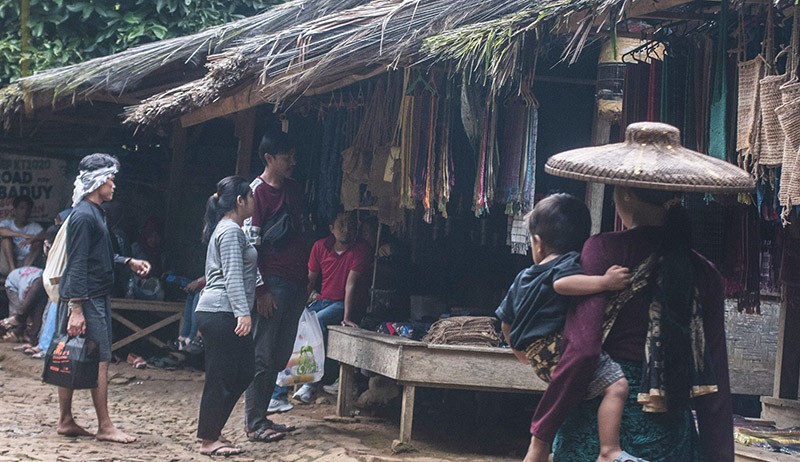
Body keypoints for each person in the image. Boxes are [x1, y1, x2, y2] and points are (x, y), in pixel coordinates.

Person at [528, 122, 735, 461]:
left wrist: (542, 433)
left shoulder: (603, 251)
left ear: (625, 194)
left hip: (600, 431)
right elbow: (716, 386)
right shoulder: (705, 272)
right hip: (671, 434)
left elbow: (582, 351)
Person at [495, 193, 637, 462]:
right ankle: (610, 450)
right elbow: (563, 284)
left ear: (536, 243)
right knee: (617, 385)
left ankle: (539, 452)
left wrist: (518, 352)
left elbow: (505, 320)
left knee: (570, 395)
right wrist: (604, 282)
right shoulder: (568, 263)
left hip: (536, 354)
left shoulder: (523, 277)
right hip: (558, 348)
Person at [56, 153, 151, 443]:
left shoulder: (95, 212)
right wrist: (76, 308)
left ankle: (66, 420)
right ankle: (105, 425)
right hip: (87, 298)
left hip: (89, 295)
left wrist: (126, 261)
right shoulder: (85, 216)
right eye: (110, 179)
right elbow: (78, 262)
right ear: (97, 182)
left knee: (70, 357)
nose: (113, 184)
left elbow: (99, 255)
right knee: (99, 360)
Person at [243, 131, 306, 441]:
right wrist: (260, 290)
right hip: (272, 285)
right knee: (263, 355)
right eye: (286, 158)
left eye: (293, 156)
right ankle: (254, 423)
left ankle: (263, 416)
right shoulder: (255, 194)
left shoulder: (294, 190)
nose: (292, 162)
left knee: (280, 356)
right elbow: (249, 248)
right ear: (269, 159)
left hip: (295, 283)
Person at [194, 176, 260, 456]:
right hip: (223, 310)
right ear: (240, 201)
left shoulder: (232, 229)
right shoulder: (231, 231)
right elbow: (232, 275)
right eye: (251, 196)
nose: (254, 201)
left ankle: (213, 430)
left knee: (244, 370)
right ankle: (208, 439)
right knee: (220, 376)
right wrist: (242, 313)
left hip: (222, 310)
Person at [291, 209, 371, 404]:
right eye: (341, 224)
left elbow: (350, 285)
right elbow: (310, 279)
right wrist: (298, 307)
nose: (346, 229)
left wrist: (347, 317)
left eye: (351, 225)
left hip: (345, 304)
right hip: (324, 301)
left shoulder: (361, 248)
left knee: (316, 322)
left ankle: (311, 383)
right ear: (331, 229)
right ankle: (293, 380)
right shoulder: (320, 247)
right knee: (299, 324)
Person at [0, 195, 45, 276]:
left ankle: (23, 273)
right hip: (8, 264)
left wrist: (32, 239)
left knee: (37, 243)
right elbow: (1, 231)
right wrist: (22, 235)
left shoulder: (34, 226)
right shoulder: (7, 223)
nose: (24, 212)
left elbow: (46, 234)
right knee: (6, 240)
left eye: (28, 209)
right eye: (22, 208)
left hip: (27, 262)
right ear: (15, 210)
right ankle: (13, 273)